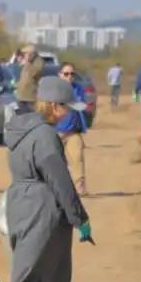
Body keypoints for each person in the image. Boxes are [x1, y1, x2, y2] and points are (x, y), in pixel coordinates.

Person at [3, 76, 92, 282]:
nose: (69, 113)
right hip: (40, 205)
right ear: (53, 106)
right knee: (30, 270)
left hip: (25, 202)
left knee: (48, 270)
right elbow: (60, 179)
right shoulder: (44, 136)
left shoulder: (27, 130)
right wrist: (80, 217)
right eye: (66, 107)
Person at [56, 63, 89, 195]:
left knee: (77, 158)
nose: (69, 77)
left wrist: (66, 102)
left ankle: (80, 186)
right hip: (55, 132)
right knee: (54, 162)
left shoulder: (78, 89)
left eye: (72, 74)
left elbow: (81, 106)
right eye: (66, 74)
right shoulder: (54, 89)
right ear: (60, 75)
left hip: (73, 132)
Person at [13, 45, 43, 114]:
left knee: (31, 117)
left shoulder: (38, 62)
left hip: (31, 98)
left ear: (31, 54)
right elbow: (24, 80)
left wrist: (27, 63)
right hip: (22, 96)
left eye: (25, 54)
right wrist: (16, 85)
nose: (24, 56)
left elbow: (34, 74)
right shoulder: (27, 63)